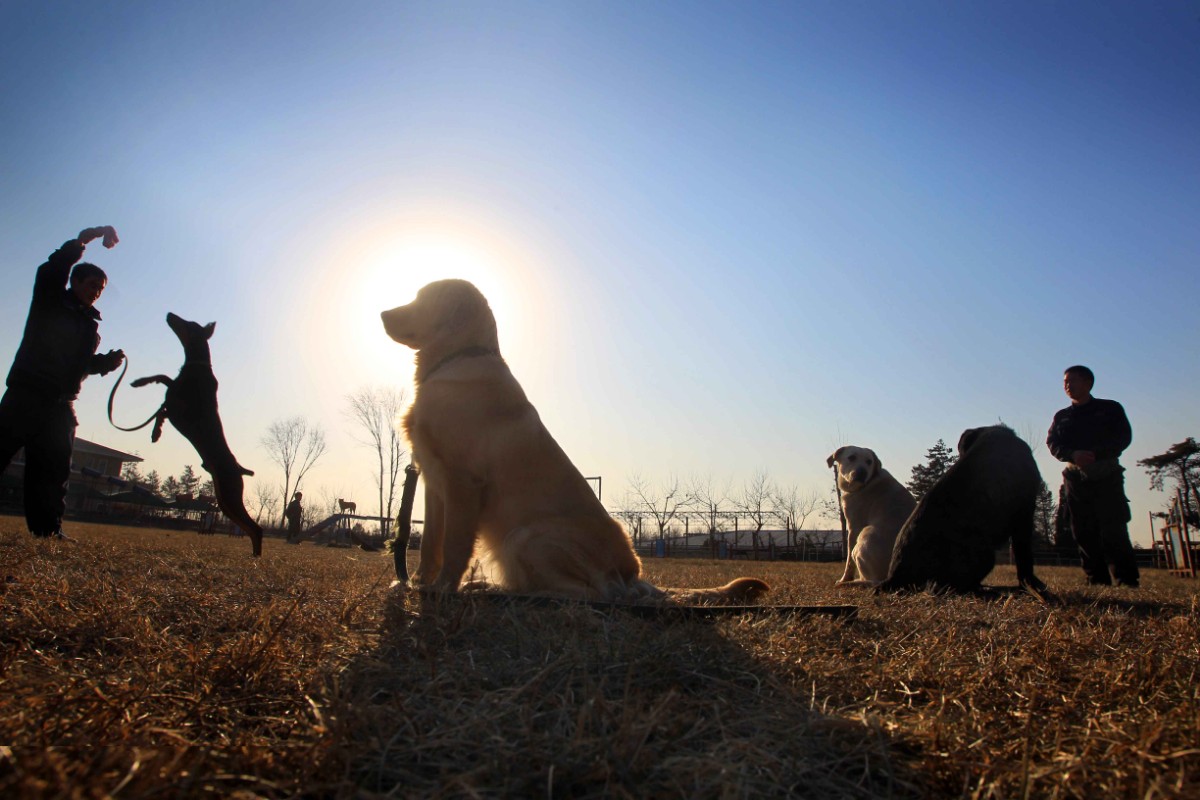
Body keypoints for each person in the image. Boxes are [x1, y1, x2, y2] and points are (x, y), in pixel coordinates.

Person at [0, 226, 125, 539]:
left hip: (61, 405)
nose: (97, 290)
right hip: (26, 395)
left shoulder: (89, 325)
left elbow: (79, 366)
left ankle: (47, 530)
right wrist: (84, 240)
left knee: (54, 471)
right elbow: (51, 269)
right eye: (93, 284)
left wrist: (105, 364)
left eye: (102, 288)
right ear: (75, 281)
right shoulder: (50, 299)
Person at [1047, 365, 1140, 587]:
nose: (1067, 386)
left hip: (1106, 476)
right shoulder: (1062, 417)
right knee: (1082, 530)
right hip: (1075, 479)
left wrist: (1097, 453)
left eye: (1073, 381)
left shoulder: (1110, 410)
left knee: (1114, 528)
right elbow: (1052, 443)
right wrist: (1072, 454)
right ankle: (1096, 579)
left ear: (1088, 383)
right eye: (1065, 382)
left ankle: (1127, 580)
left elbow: (1123, 437)